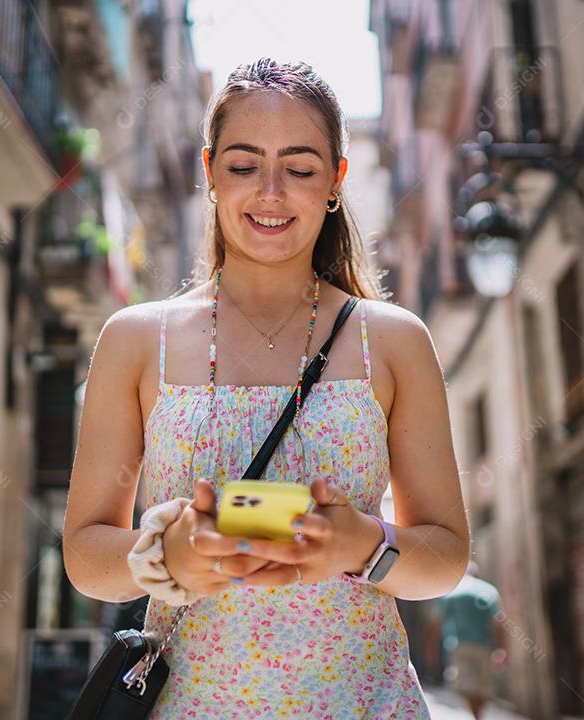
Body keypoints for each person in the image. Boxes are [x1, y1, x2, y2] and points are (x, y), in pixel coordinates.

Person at [62, 57, 469, 719]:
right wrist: (164, 558)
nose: (271, 193)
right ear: (209, 172)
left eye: (301, 168)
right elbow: (84, 553)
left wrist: (361, 545)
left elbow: (446, 556)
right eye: (245, 165)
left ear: (335, 180)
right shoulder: (136, 339)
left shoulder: (394, 341)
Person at [433, 562, 506, 719]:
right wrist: (501, 649)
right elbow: (499, 624)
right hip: (485, 647)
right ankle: (478, 714)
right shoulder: (488, 591)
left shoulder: (451, 593)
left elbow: (437, 622)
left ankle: (476, 715)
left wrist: (431, 649)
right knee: (483, 686)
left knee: (468, 686)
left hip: (460, 646)